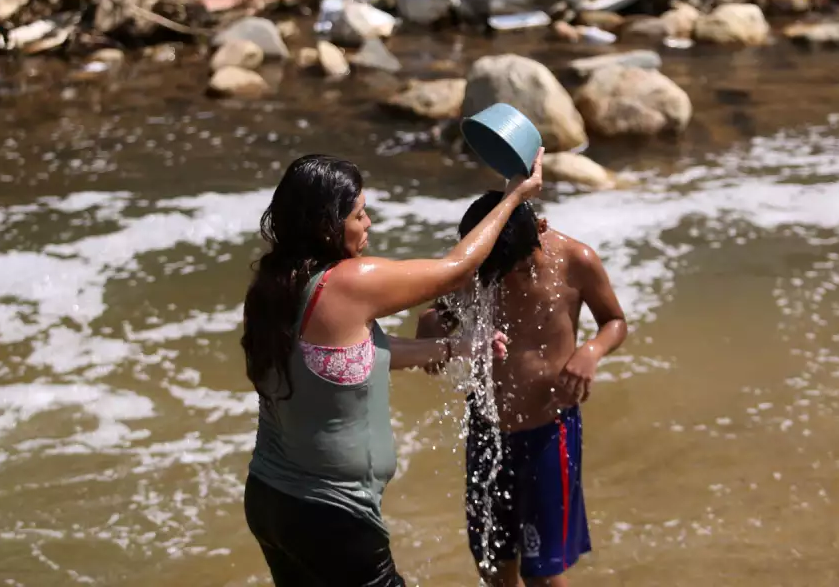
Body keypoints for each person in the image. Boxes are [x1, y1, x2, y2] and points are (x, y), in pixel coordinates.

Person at [241, 150, 543, 587]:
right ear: (327, 223)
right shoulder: (349, 282)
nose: (368, 225)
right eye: (360, 215)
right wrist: (513, 198)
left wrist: (456, 347)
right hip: (333, 516)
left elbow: (351, 358)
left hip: (272, 502)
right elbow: (456, 270)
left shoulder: (273, 288)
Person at [416, 191, 628, 587]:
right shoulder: (477, 268)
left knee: (543, 574)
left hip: (550, 431)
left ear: (542, 229)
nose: (510, 277)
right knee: (493, 567)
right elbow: (435, 328)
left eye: (523, 266)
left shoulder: (576, 261)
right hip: (486, 431)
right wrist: (432, 334)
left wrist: (591, 352)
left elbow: (615, 321)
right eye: (499, 272)